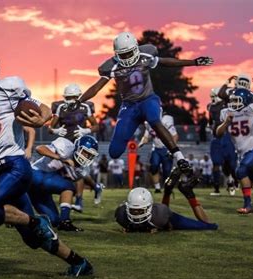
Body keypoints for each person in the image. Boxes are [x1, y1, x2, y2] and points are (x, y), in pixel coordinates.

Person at [0, 51, 93, 276]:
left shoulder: (7, 87)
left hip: (15, 164)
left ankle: (37, 220)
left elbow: (42, 107)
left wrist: (42, 118)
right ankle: (79, 263)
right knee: (32, 239)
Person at [78, 31, 213, 175]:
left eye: (129, 53)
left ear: (136, 48)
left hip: (148, 99)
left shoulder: (146, 54)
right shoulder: (111, 66)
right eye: (123, 55)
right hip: (129, 106)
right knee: (114, 152)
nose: (128, 58)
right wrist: (79, 100)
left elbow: (166, 62)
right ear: (116, 54)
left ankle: (180, 158)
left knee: (154, 119)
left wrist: (194, 62)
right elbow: (96, 87)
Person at [29, 135, 101, 232]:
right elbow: (39, 148)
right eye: (84, 152)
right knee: (68, 187)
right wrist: (61, 158)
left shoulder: (82, 170)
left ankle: (24, 219)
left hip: (43, 191)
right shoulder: (65, 146)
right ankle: (65, 222)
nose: (85, 157)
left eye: (89, 155)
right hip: (36, 175)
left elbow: (86, 178)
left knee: (53, 220)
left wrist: (95, 187)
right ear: (77, 147)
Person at [115, 168, 218, 232]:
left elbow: (164, 221)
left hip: (166, 217)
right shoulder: (121, 215)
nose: (137, 214)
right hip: (160, 215)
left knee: (208, 226)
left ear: (149, 208)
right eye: (134, 210)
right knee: (163, 215)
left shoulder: (159, 216)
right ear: (127, 207)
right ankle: (169, 191)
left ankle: (188, 194)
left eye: (140, 210)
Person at [49, 83, 100, 212]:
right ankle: (96, 187)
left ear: (78, 97)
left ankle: (79, 200)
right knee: (77, 172)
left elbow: (96, 126)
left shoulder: (85, 107)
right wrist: (55, 131)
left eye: (73, 97)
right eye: (68, 97)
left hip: (80, 144)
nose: (70, 100)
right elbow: (50, 128)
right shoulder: (60, 108)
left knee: (79, 171)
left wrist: (86, 131)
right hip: (64, 143)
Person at [207, 87, 237, 196]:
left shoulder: (225, 105)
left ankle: (231, 181)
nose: (212, 99)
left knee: (230, 163)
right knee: (216, 163)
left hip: (226, 136)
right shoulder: (212, 107)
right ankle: (216, 188)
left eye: (214, 96)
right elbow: (210, 121)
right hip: (216, 138)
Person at [139, 112, 177, 193]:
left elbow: (175, 136)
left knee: (167, 171)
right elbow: (146, 137)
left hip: (166, 149)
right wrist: (141, 142)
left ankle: (168, 188)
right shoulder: (149, 123)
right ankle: (157, 188)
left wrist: (172, 149)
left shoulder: (166, 122)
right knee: (154, 166)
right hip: (156, 148)